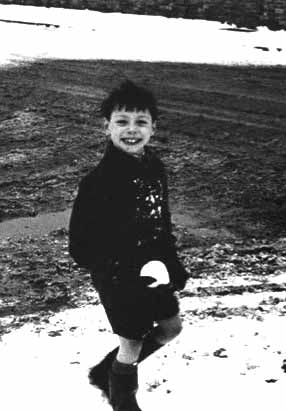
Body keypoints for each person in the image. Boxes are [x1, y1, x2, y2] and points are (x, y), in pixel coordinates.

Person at [69, 80, 189, 410]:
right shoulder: (98, 182)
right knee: (132, 344)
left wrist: (171, 265)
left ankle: (106, 372)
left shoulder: (154, 168)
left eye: (141, 122)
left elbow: (161, 224)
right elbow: (80, 246)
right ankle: (122, 397)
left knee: (170, 328)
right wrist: (121, 271)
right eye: (122, 122)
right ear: (106, 127)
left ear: (154, 127)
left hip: (155, 270)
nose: (131, 130)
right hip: (119, 278)